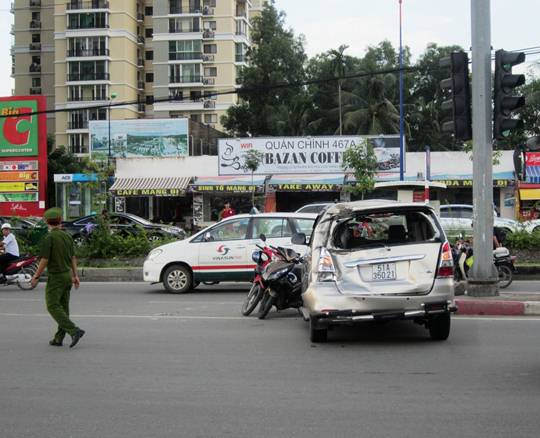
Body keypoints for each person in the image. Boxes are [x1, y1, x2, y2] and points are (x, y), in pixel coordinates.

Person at [31, 208, 85, 348]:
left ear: (47, 222)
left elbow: (44, 260)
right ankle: (58, 338)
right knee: (63, 307)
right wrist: (75, 275)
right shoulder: (66, 236)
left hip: (56, 277)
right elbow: (73, 257)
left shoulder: (49, 238)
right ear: (60, 221)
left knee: (52, 306)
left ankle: (74, 330)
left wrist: (36, 276)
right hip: (67, 276)